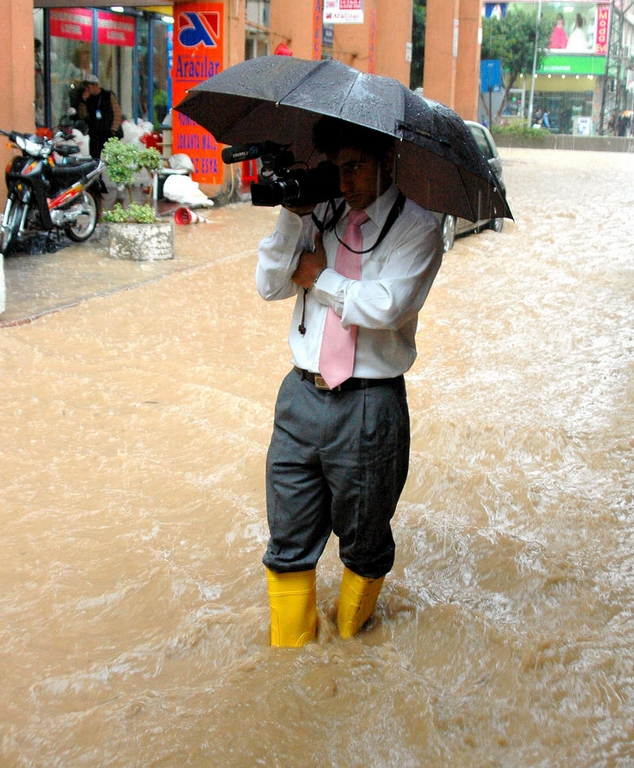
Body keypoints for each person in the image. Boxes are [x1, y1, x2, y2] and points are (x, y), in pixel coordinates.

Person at [256, 117, 443, 647]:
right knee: (287, 535)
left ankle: (353, 645)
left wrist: (320, 278)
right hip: (299, 396)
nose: (344, 180)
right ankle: (290, 659)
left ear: (388, 161)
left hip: (369, 403)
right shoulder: (320, 212)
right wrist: (292, 220)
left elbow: (386, 305)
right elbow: (269, 285)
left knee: (363, 539)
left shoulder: (419, 228)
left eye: (356, 166)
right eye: (337, 167)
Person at [76, 74, 123, 191]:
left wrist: (113, 130)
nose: (87, 89)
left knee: (113, 158)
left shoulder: (108, 95)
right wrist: (83, 101)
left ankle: (119, 181)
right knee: (94, 160)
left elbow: (117, 113)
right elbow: (83, 115)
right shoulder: (87, 99)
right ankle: (96, 183)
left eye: (88, 86)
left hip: (109, 132)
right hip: (95, 133)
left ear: (95, 85)